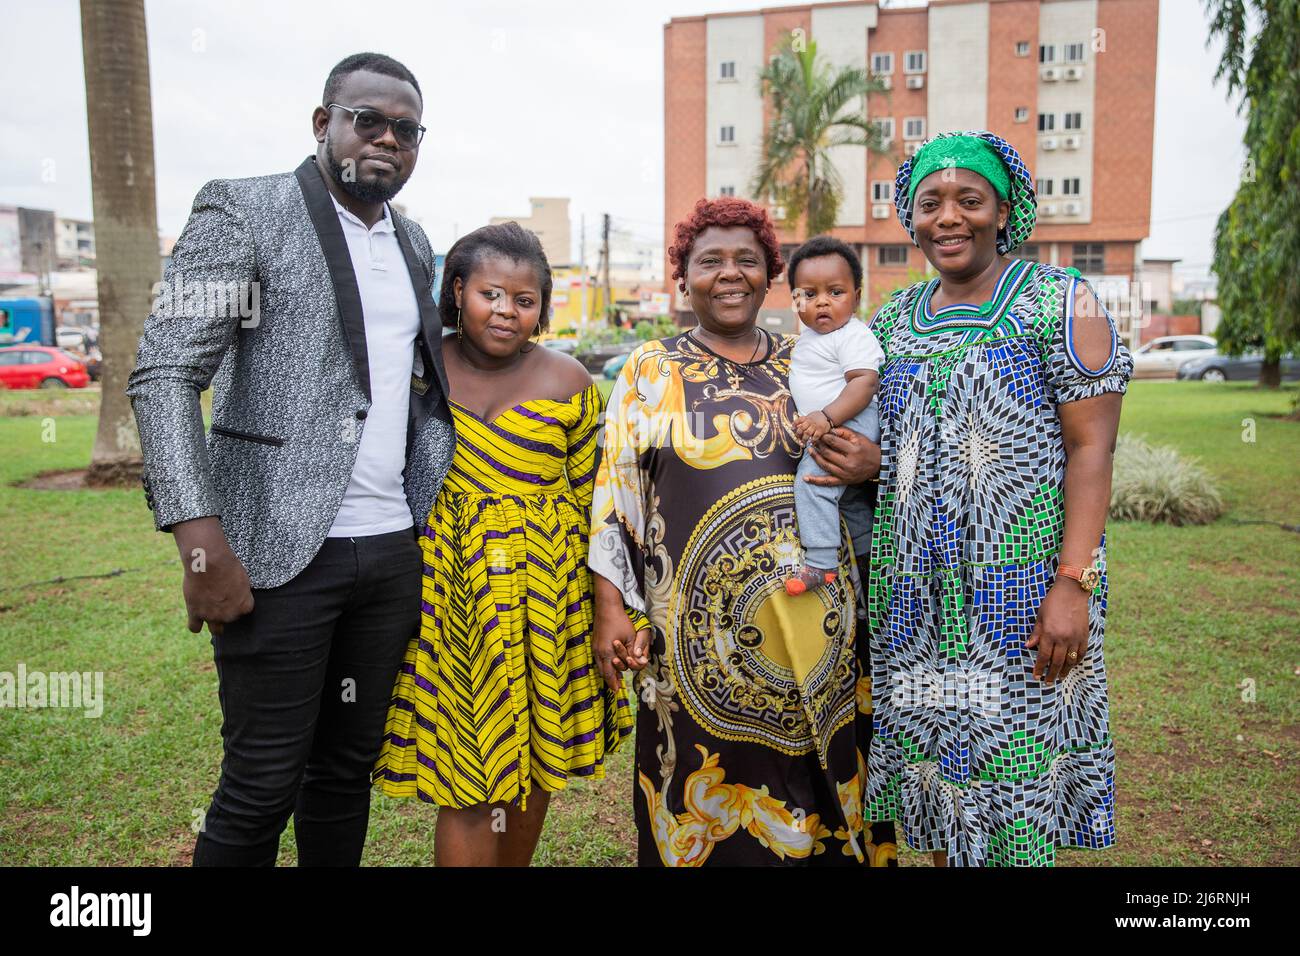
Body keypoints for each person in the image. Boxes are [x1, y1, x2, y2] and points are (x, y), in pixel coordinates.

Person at [127, 53, 453, 867]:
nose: (387, 139)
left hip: (388, 550)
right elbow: (165, 371)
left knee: (344, 773)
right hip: (272, 552)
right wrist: (200, 542)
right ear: (324, 123)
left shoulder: (413, 240)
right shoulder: (242, 211)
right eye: (367, 120)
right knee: (262, 780)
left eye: (406, 130)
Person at [588, 196, 897, 867]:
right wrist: (612, 606)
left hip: (825, 632)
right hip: (693, 645)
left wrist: (875, 465)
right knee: (701, 793)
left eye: (747, 261)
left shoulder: (814, 358)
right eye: (710, 261)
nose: (729, 274)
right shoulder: (649, 369)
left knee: (825, 795)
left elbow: (875, 457)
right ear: (683, 276)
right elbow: (617, 495)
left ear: (770, 276)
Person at [863, 131, 1132, 866]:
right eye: (931, 203)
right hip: (916, 597)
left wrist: (1072, 584)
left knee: (1014, 783)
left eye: (969, 201)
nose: (949, 218)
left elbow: (1091, 449)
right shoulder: (894, 320)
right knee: (951, 782)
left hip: (1021, 594)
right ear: (908, 218)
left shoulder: (1062, 302)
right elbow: (900, 451)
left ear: (1004, 210)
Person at [372, 222, 632, 866]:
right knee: (465, 771)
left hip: (546, 599)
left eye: (525, 300)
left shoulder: (570, 380)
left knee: (530, 761)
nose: (507, 312)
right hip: (448, 596)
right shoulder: (420, 368)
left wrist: (607, 605)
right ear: (458, 290)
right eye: (492, 294)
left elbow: (594, 503)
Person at [783, 235, 884, 596]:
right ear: (794, 299)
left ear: (856, 297)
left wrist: (826, 418)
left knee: (811, 482)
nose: (821, 301)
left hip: (850, 420)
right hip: (833, 421)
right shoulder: (808, 337)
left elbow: (864, 383)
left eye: (835, 292)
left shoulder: (852, 335)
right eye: (808, 294)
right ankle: (869, 556)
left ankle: (821, 564)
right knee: (848, 496)